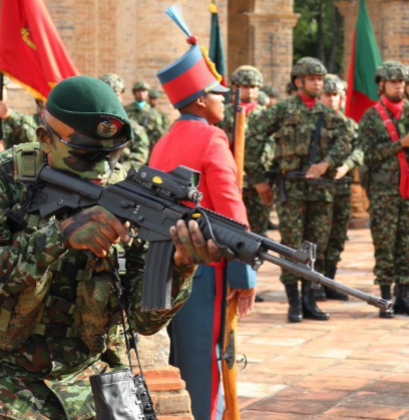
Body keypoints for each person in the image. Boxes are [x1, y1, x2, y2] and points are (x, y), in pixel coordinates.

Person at [0, 75, 218, 419]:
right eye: (85, 156)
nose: (102, 170)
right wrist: (58, 237)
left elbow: (144, 320)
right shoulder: (2, 180)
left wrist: (178, 269)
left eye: (112, 155)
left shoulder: (126, 195)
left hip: (94, 382)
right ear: (46, 139)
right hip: (9, 382)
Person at [149, 18, 256, 420]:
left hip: (161, 267)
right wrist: (243, 276)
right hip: (203, 266)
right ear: (197, 100)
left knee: (175, 355)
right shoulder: (212, 137)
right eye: (216, 93)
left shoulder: (164, 139)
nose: (222, 99)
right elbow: (230, 210)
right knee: (203, 359)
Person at [246, 57, 355, 323]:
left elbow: (348, 138)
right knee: (292, 246)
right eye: (312, 79)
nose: (318, 83)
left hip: (322, 190)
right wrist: (259, 178)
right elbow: (253, 137)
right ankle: (293, 302)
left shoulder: (330, 114)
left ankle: (309, 299)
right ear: (299, 81)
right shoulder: (282, 111)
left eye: (320, 78)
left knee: (314, 245)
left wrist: (326, 163)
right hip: (291, 188)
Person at [358, 61, 409, 318]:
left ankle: (404, 296)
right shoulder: (372, 116)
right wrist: (401, 143)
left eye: (402, 82)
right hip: (385, 191)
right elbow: (368, 154)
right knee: (385, 245)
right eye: (393, 81)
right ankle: (385, 298)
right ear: (382, 85)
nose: (399, 86)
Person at [317, 74, 360, 301]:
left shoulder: (349, 125)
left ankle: (330, 281)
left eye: (336, 95)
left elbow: (360, 148)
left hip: (341, 188)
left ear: (342, 98)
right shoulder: (314, 124)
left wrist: (347, 164)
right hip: (318, 190)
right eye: (327, 94)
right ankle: (315, 284)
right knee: (319, 238)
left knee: (337, 237)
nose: (332, 99)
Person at [218, 66, 272, 237]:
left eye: (254, 87)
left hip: (260, 181)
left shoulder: (267, 115)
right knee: (229, 227)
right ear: (235, 88)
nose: (250, 91)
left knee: (258, 230)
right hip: (228, 179)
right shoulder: (224, 114)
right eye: (245, 86)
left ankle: (253, 264)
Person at [98, 73, 150, 172]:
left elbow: (140, 154)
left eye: (115, 94)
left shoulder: (130, 126)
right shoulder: (88, 120)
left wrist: (117, 171)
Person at [124, 81, 167, 150]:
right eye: (138, 91)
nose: (141, 93)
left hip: (148, 147)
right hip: (130, 147)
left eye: (144, 91)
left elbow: (159, 131)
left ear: (148, 93)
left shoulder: (154, 112)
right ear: (134, 93)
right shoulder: (126, 110)